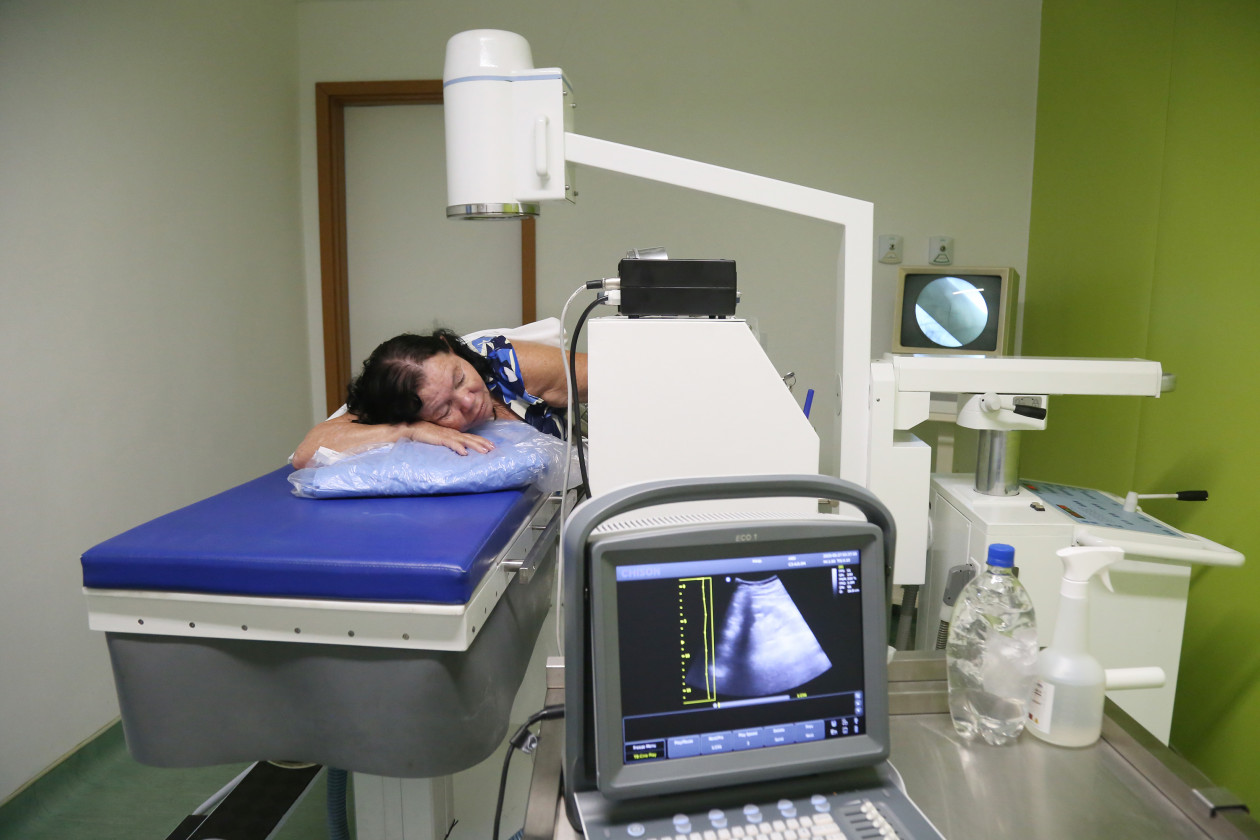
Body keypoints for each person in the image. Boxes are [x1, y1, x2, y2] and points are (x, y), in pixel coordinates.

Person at [291, 324, 587, 470]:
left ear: (450, 348)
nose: (468, 402)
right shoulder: (393, 408)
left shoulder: (510, 364)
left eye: (460, 379)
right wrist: (409, 430)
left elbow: (613, 378)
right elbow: (306, 454)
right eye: (444, 410)